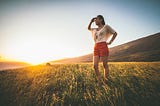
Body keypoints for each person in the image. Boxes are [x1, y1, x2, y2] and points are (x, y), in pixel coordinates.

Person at [88, 15, 117, 82]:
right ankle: (99, 80)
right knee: (95, 66)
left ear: (101, 20)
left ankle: (106, 81)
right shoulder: (94, 29)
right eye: (94, 20)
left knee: (104, 64)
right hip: (96, 46)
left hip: (103, 45)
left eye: (96, 19)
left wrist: (110, 42)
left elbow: (115, 33)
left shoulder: (106, 26)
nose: (95, 21)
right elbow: (89, 28)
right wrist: (91, 21)